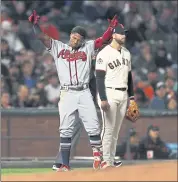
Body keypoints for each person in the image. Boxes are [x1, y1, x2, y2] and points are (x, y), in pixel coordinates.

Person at [28, 10, 119, 171]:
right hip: (67, 92)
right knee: (65, 128)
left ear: (82, 40)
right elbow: (42, 37)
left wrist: (111, 29)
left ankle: (98, 158)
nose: (74, 40)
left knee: (93, 125)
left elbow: (103, 41)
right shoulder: (58, 47)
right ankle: (64, 164)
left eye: (78, 38)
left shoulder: (88, 47)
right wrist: (35, 25)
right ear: (70, 35)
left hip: (83, 91)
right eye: (73, 36)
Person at [95, 23, 139, 169]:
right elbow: (99, 78)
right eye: (121, 33)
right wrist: (103, 98)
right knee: (108, 129)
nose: (123, 36)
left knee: (115, 131)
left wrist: (131, 98)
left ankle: (111, 160)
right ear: (113, 35)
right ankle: (103, 160)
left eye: (124, 33)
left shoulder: (127, 53)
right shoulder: (104, 53)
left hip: (123, 93)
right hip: (109, 92)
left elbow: (129, 77)